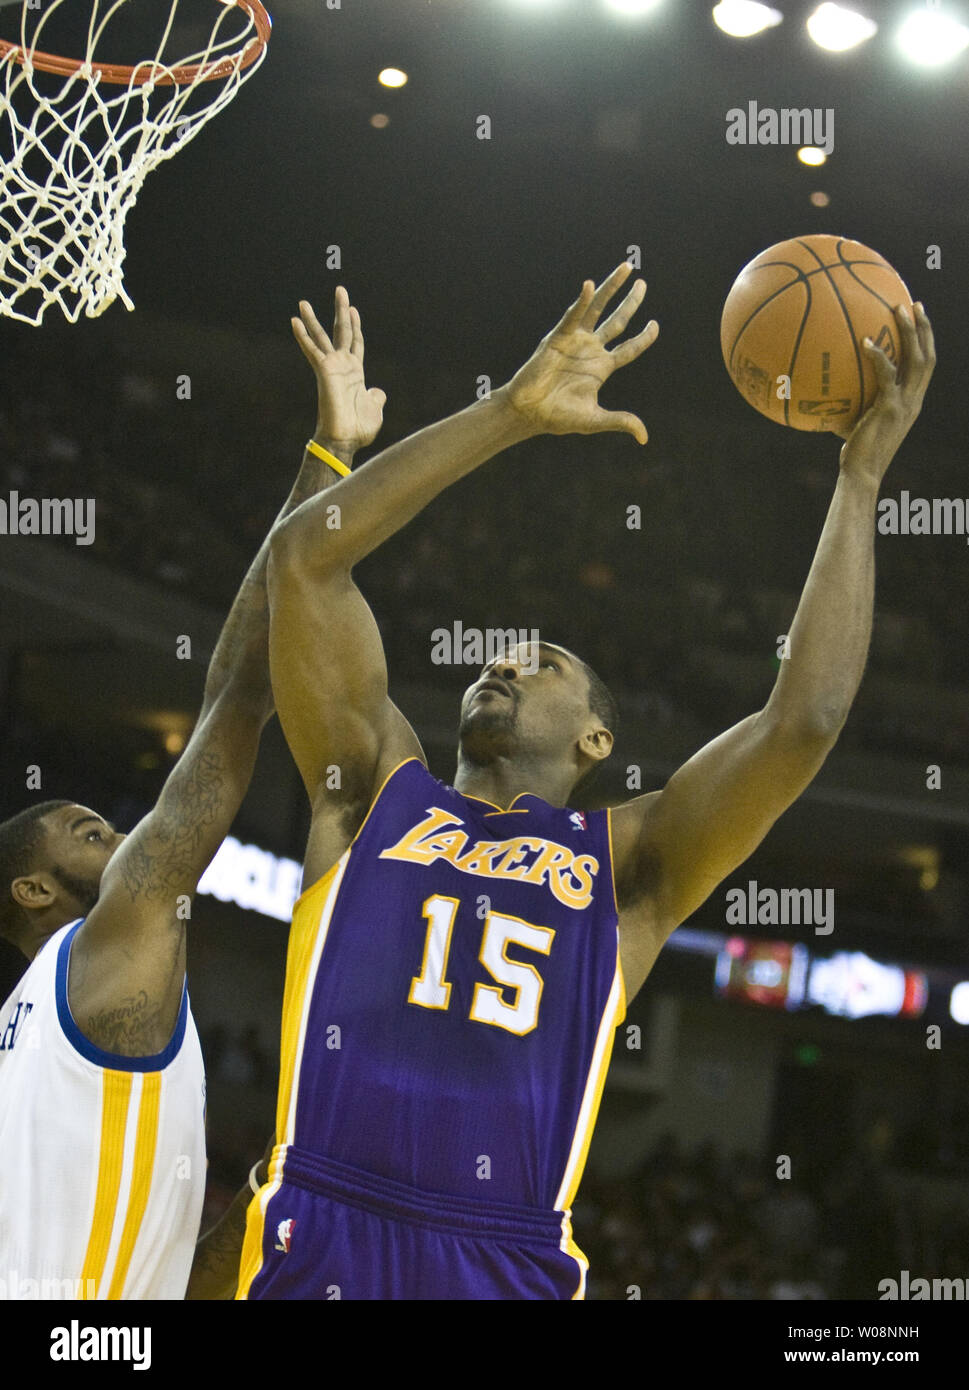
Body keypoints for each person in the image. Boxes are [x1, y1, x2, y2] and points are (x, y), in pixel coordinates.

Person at [237, 263, 934, 1300]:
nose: (503, 663)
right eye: (496, 656)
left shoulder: (631, 861)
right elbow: (305, 560)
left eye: (542, 662)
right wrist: (510, 414)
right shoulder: (371, 786)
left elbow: (805, 722)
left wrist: (861, 479)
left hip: (502, 1251)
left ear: (600, 741)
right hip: (320, 1223)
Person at [0, 288, 382, 1300]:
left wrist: (259, 1204)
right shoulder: (106, 950)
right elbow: (240, 691)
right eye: (86, 831)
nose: (122, 834)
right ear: (32, 893)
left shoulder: (32, 1031)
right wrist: (329, 460)